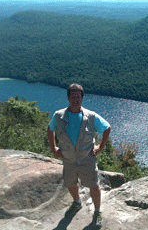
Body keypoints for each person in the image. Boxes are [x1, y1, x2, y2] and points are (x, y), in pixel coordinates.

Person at [48, 83, 111, 227]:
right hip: (68, 159)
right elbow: (50, 129)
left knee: (93, 186)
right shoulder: (59, 116)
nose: (75, 99)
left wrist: (100, 147)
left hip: (86, 159)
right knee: (70, 183)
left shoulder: (91, 116)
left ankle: (97, 211)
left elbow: (107, 128)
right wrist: (54, 148)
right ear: (68, 98)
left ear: (82, 98)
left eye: (78, 96)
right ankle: (77, 203)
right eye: (72, 96)